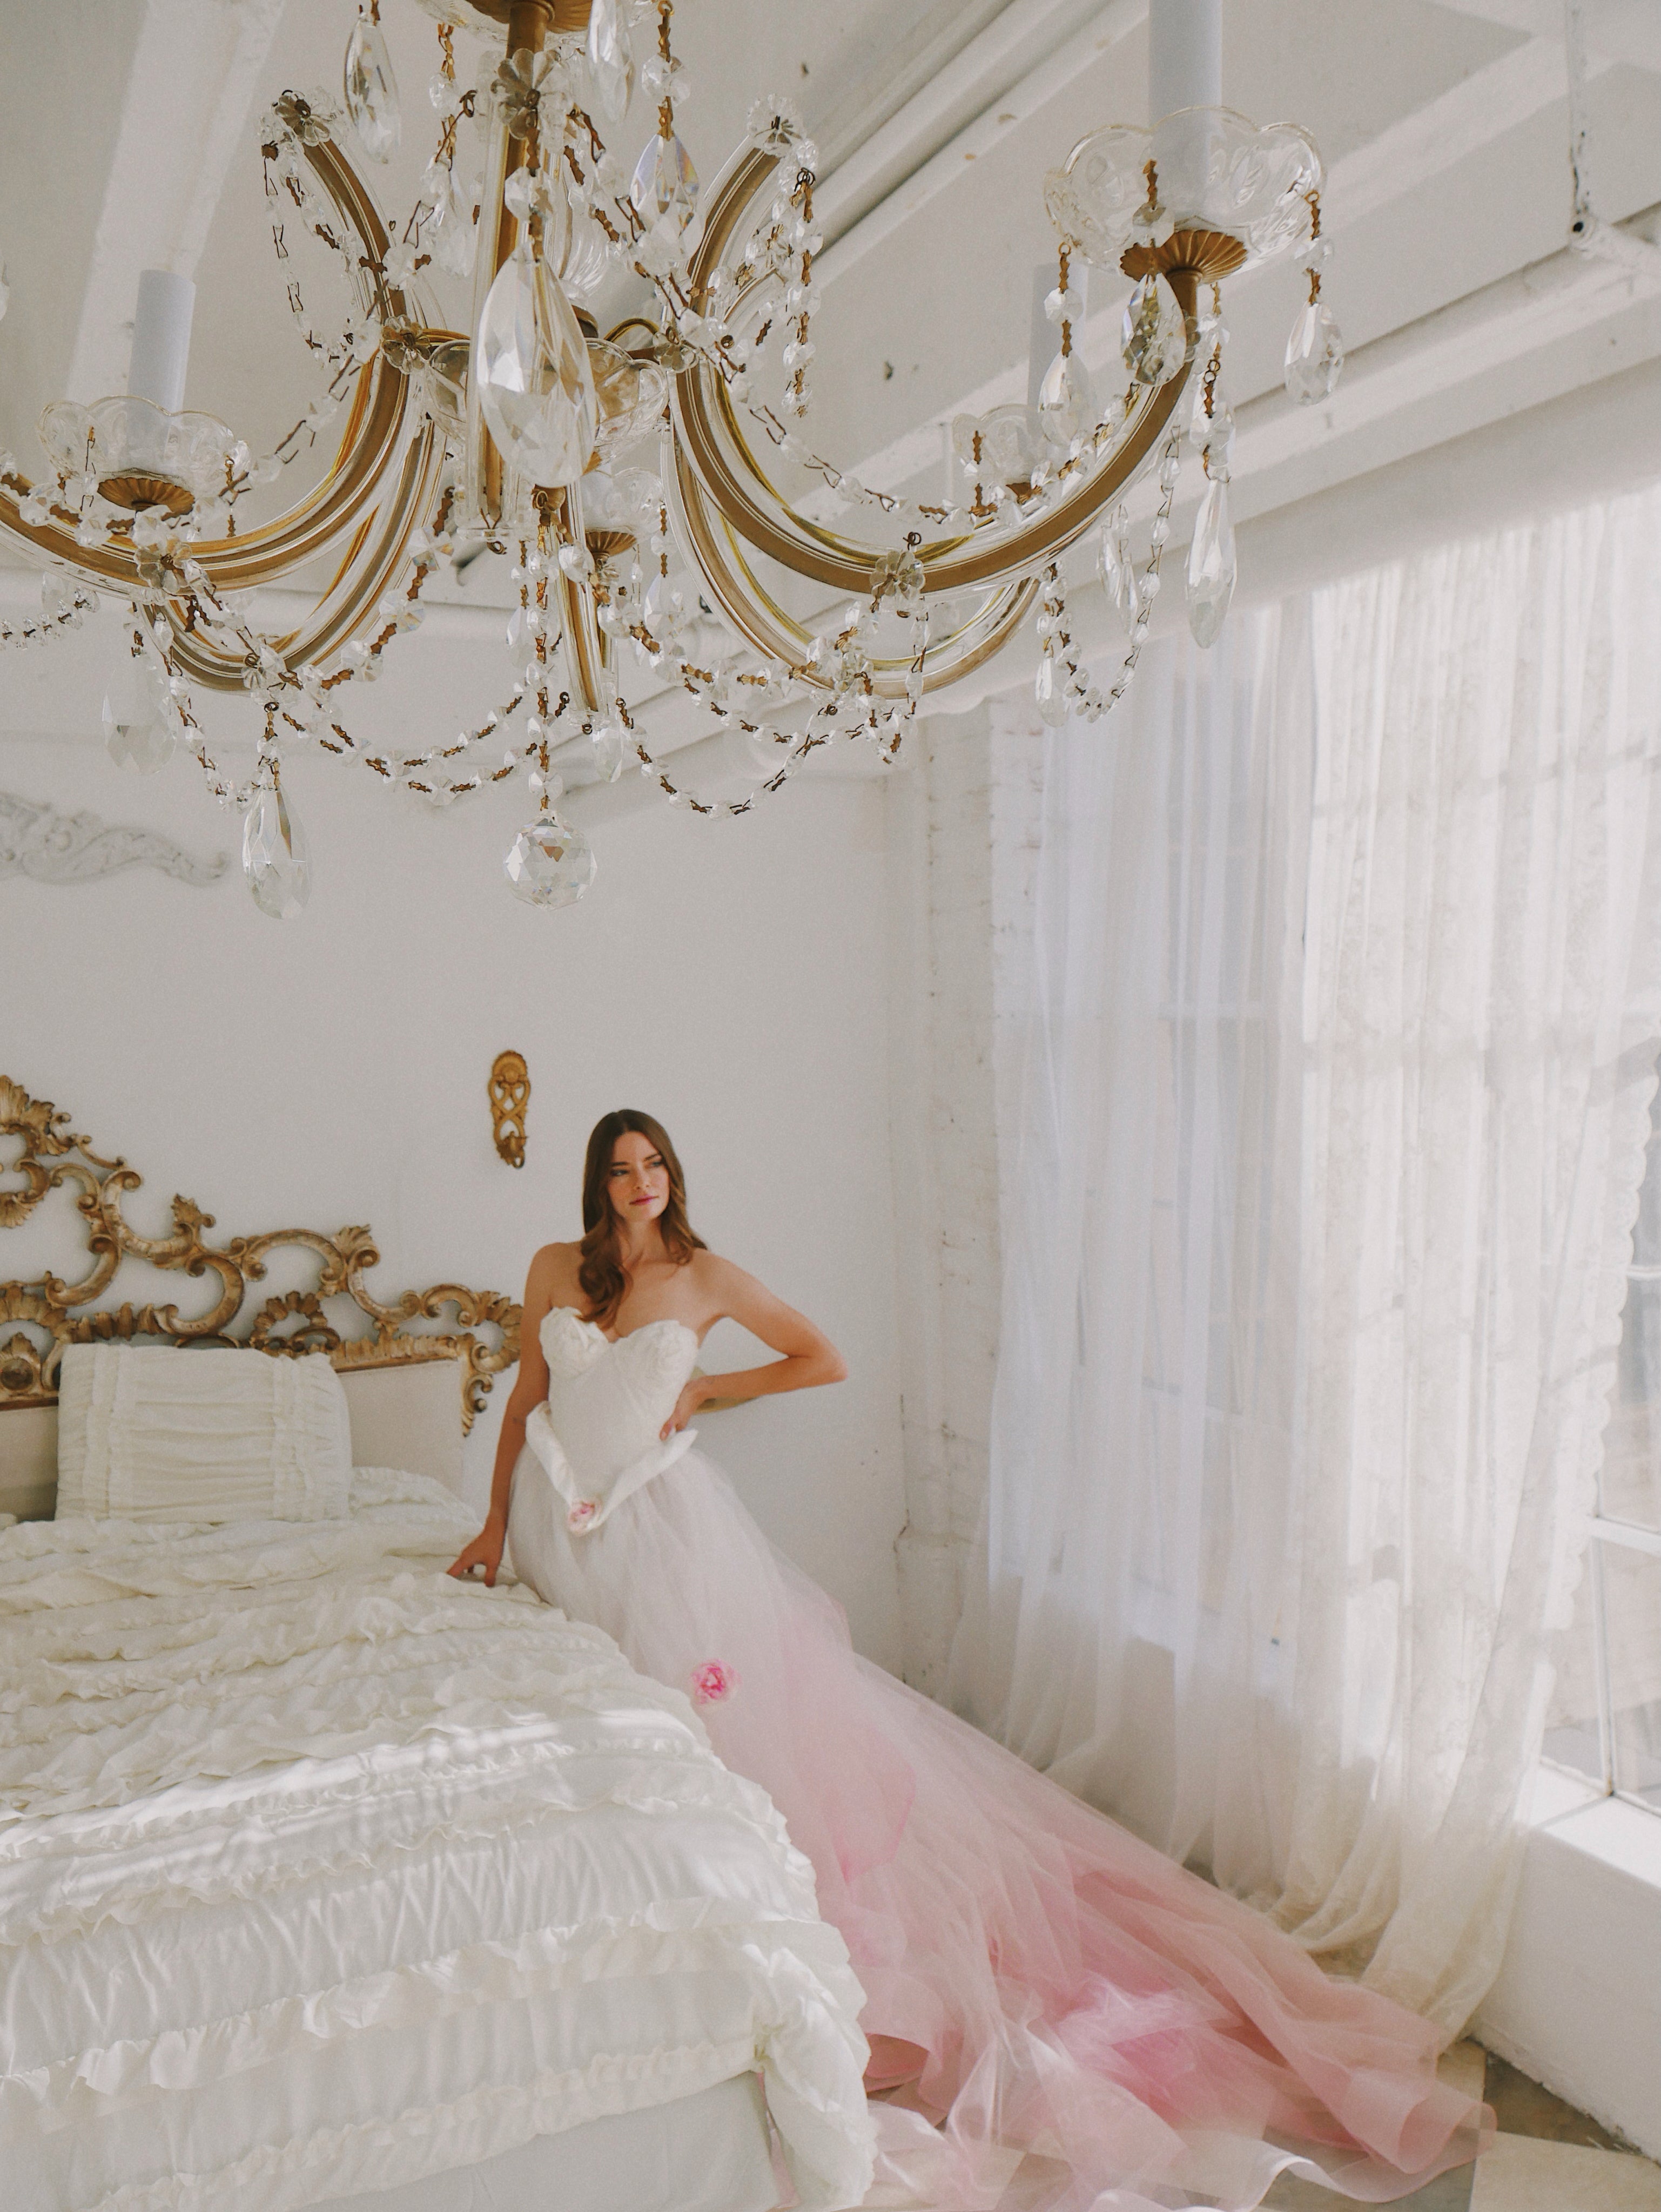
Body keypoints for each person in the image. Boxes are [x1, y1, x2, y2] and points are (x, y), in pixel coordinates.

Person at [450, 1110, 1492, 2212]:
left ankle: (752, 1941)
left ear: (672, 1173)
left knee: (703, 1732)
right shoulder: (554, 1267)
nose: (640, 1182)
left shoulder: (706, 1276)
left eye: (654, 1163)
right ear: (597, 1183)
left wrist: (709, 1390)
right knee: (605, 1731)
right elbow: (526, 1399)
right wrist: (491, 1527)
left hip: (663, 1536)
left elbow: (822, 1356)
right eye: (620, 1169)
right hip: (558, 1528)